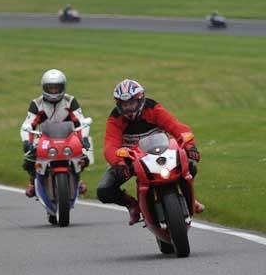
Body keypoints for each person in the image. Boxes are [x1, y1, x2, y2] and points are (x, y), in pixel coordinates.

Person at [97, 79, 204, 225]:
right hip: (131, 159)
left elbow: (176, 127)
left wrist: (190, 146)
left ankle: (190, 199)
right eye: (124, 105)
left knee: (189, 167)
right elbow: (110, 146)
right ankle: (133, 206)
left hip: (160, 153)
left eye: (131, 103)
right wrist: (120, 163)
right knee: (104, 190)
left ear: (140, 100)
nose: (128, 108)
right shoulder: (115, 118)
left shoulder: (153, 108)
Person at [20, 69, 92, 198]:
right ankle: (33, 182)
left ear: (63, 87)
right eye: (50, 88)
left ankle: (77, 179)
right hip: (44, 138)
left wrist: (84, 138)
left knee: (84, 157)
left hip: (69, 137)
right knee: (29, 159)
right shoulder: (37, 104)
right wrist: (27, 141)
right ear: (44, 87)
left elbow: (81, 121)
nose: (54, 91)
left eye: (57, 88)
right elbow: (28, 124)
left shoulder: (70, 101)